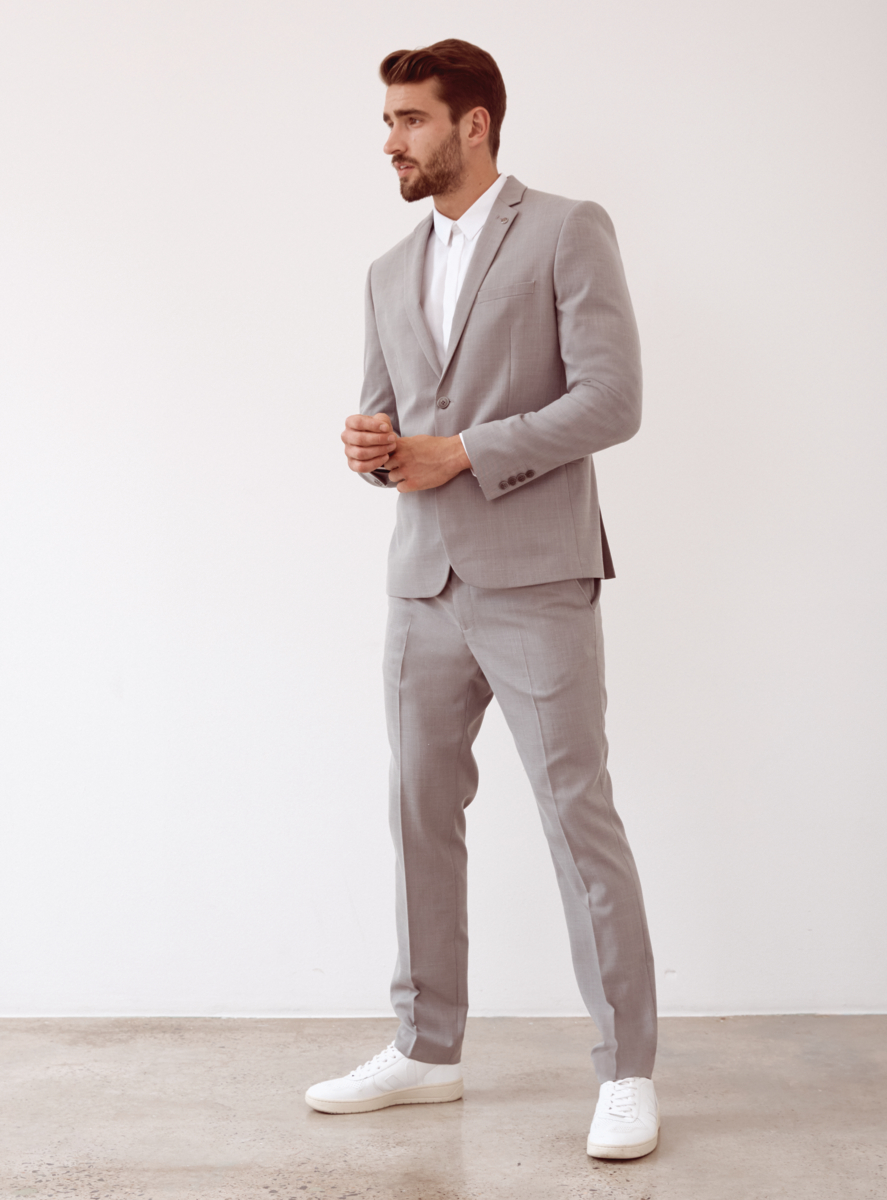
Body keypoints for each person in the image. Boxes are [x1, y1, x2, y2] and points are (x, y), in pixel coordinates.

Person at [305, 38, 659, 1160]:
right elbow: (389, 420)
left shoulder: (564, 229)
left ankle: (626, 1069)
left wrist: (461, 451)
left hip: (537, 578)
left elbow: (611, 400)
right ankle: (425, 1047)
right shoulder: (385, 270)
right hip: (422, 584)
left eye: (409, 118)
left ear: (474, 123)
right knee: (417, 813)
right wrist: (372, 450)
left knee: (575, 816)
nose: (390, 140)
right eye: (387, 120)